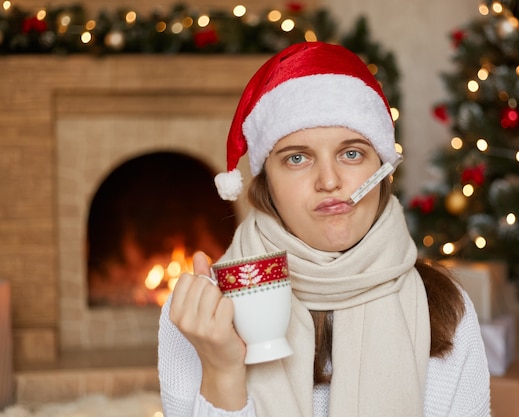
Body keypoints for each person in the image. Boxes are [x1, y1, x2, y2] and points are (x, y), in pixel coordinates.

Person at [158, 41, 491, 417]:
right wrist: (221, 372)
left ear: (381, 171)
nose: (329, 181)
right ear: (267, 182)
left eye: (352, 153)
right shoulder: (200, 314)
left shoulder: (445, 308)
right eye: (297, 158)